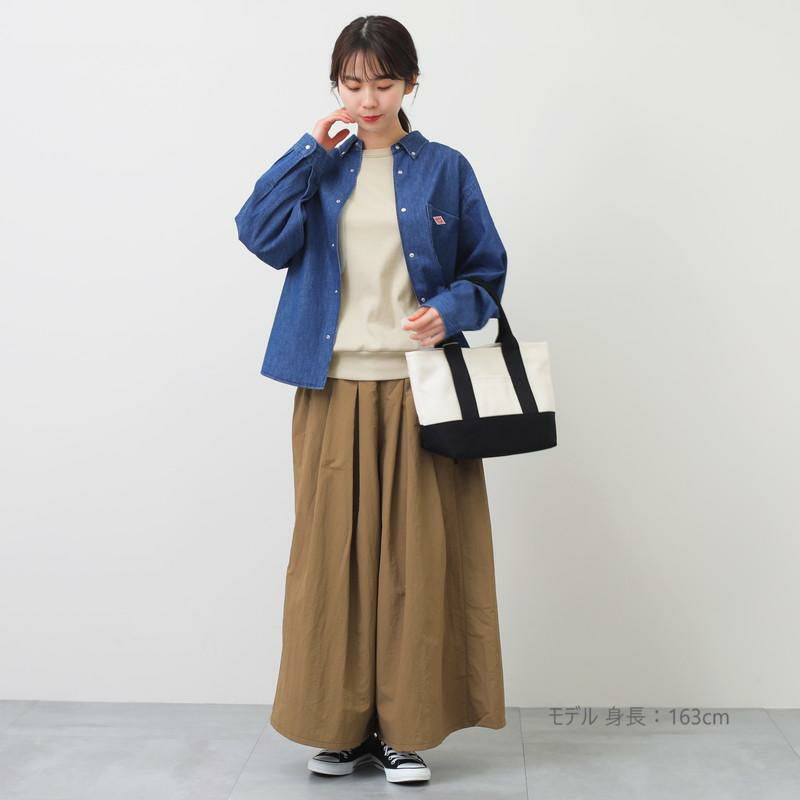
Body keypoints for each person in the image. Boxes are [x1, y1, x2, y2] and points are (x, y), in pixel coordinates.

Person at [234, 14, 509, 785]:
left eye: (383, 83)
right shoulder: (323, 168)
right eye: (352, 84)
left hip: (422, 390)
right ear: (336, 86)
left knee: (414, 565)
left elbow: (486, 274)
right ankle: (341, 728)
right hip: (332, 389)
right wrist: (306, 151)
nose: (366, 99)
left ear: (410, 84)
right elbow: (258, 235)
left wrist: (448, 312)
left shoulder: (446, 169)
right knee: (333, 563)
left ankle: (404, 731)